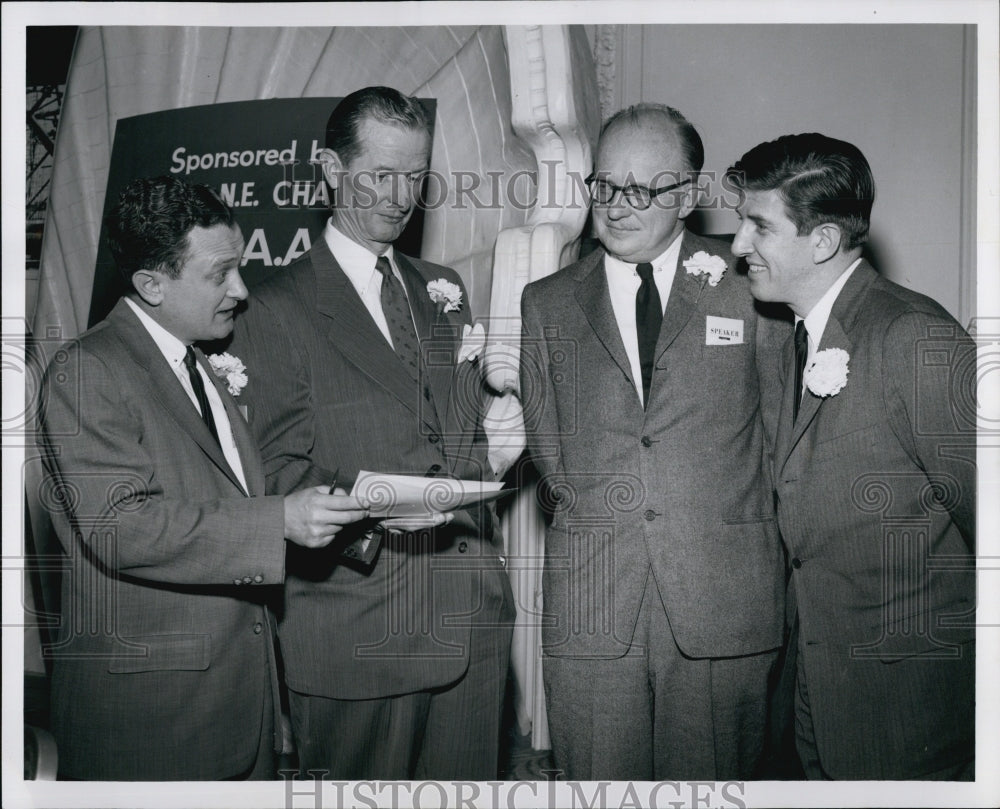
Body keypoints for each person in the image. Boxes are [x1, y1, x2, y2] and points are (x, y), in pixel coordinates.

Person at [37, 176, 368, 780]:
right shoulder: (87, 370)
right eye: (221, 274)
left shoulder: (195, 358)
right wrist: (279, 521)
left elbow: (234, 488)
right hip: (154, 724)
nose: (241, 290)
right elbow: (120, 525)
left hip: (238, 707)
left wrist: (367, 504)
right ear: (151, 285)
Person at [228, 86, 516, 780]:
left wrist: (498, 443)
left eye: (415, 177)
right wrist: (383, 511)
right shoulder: (274, 308)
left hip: (472, 621)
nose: (400, 197)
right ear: (331, 169)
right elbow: (275, 472)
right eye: (380, 175)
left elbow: (451, 439)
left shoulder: (443, 287)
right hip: (361, 629)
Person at [518, 103, 786, 780]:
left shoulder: (752, 287)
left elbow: (782, 439)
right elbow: (549, 451)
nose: (617, 206)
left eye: (641, 190)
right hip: (594, 602)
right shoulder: (546, 303)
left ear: (689, 196)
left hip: (722, 600)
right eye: (606, 185)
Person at [728, 133, 976, 779]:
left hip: (909, 707)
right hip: (816, 692)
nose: (738, 245)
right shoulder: (790, 336)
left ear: (823, 241)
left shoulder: (913, 336)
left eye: (759, 225)